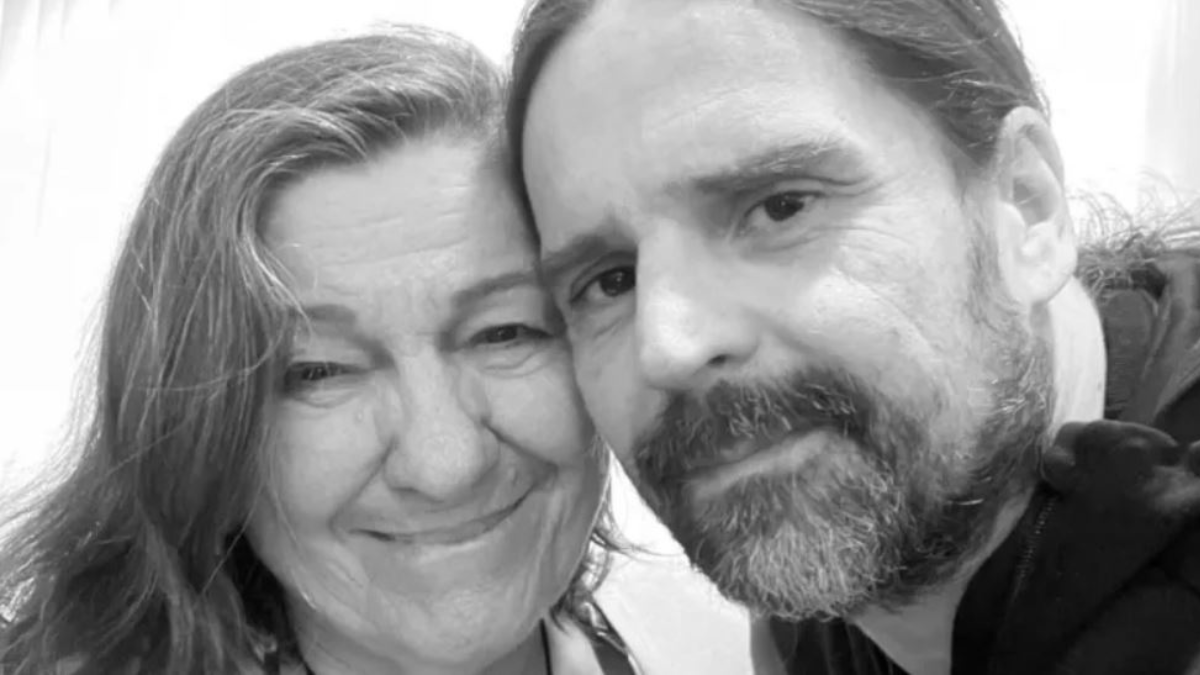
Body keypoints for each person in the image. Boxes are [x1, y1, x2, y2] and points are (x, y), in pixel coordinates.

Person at [0, 26, 755, 675]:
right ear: (198, 435)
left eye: (506, 332)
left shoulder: (737, 644)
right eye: (318, 371)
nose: (445, 466)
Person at [505, 0, 1200, 673]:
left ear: (1025, 204)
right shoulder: (802, 627)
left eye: (781, 207)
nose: (667, 346)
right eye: (610, 282)